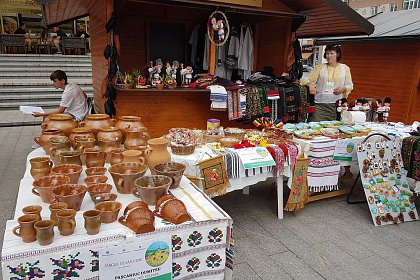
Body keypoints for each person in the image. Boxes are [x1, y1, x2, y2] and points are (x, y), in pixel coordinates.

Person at [301, 45, 353, 122]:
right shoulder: (320, 67)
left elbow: (350, 85)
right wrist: (310, 84)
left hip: (336, 106)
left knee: (332, 130)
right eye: (327, 53)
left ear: (337, 54)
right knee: (314, 128)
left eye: (332, 53)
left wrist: (343, 88)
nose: (329, 56)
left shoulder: (345, 68)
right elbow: (304, 79)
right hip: (319, 105)